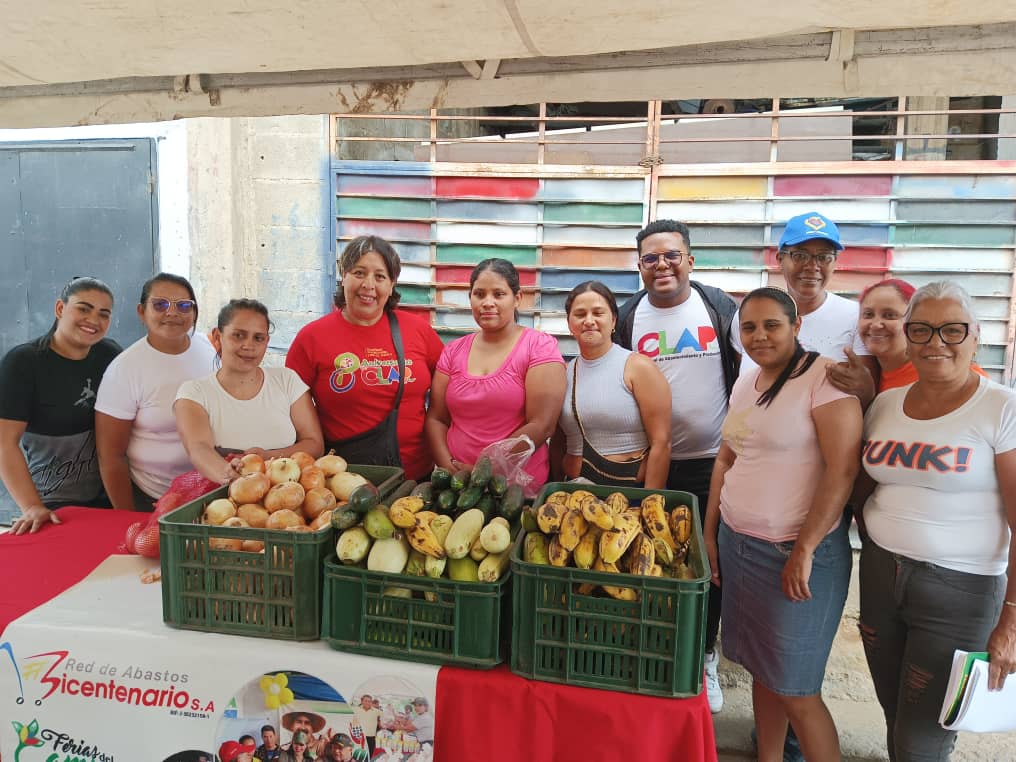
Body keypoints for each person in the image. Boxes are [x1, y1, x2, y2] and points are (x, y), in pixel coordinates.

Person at [854, 280, 1016, 761]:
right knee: (894, 713)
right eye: (921, 330)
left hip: (959, 592)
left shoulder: (1001, 408)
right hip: (882, 574)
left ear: (975, 335)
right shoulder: (886, 404)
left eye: (952, 330)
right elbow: (864, 485)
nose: (935, 342)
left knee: (922, 738)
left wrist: (1011, 621)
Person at [703, 286, 862, 762]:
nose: (759, 336)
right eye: (749, 327)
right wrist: (710, 535)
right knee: (761, 669)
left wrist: (806, 548)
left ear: (796, 327)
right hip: (738, 544)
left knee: (797, 688)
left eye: (772, 324)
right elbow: (725, 460)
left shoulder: (826, 377)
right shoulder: (746, 381)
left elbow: (843, 470)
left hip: (794, 555)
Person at [614, 219, 738, 713]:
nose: (661, 265)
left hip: (714, 462)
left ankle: (705, 655)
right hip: (651, 463)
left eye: (671, 255)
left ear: (689, 259)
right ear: (640, 266)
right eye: (650, 258)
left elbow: (749, 373)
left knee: (708, 568)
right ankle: (656, 648)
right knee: (647, 559)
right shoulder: (627, 317)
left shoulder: (720, 308)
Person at [286, 236, 444, 481]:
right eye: (359, 273)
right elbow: (292, 409)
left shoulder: (418, 330)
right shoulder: (311, 338)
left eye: (380, 277)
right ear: (344, 276)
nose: (368, 285)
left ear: (391, 285)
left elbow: (448, 395)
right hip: (343, 481)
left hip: (416, 478)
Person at [426, 258, 566, 488]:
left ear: (517, 298)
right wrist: (447, 465)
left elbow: (542, 424)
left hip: (515, 489)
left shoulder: (538, 347)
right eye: (479, 294)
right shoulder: (453, 350)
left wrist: (483, 471)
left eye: (498, 294)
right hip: (456, 484)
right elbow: (436, 418)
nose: (487, 302)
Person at [0, 277, 121, 535]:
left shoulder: (110, 355)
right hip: (51, 506)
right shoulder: (23, 362)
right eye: (83, 308)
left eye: (104, 314)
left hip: (108, 500)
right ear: (59, 309)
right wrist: (32, 506)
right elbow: (4, 443)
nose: (93, 320)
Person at [95, 273, 217, 510]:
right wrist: (126, 515)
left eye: (183, 306)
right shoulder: (124, 369)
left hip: (211, 489)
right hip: (153, 498)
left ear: (194, 313)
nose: (172, 313)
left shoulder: (207, 348)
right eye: (160, 304)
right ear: (142, 312)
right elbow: (110, 456)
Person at [734, 212, 879, 406]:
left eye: (824, 257)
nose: (812, 266)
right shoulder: (749, 317)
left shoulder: (856, 318)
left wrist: (866, 390)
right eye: (800, 255)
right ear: (779, 259)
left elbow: (867, 395)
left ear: (835, 262)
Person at [174, 299, 323, 484]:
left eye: (258, 338)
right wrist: (228, 474)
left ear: (267, 341)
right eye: (238, 335)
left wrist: (268, 457)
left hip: (290, 495)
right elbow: (198, 448)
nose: (248, 346)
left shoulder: (287, 380)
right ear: (217, 336)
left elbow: (314, 443)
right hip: (222, 500)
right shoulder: (194, 392)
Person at [554, 281, 671, 488]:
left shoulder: (638, 367)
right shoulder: (563, 373)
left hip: (629, 497)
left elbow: (661, 443)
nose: (589, 321)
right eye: (580, 314)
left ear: (614, 320)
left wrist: (650, 501)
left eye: (598, 313)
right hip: (573, 494)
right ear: (570, 324)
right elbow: (558, 443)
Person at [855, 278, 988, 393]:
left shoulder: (948, 371)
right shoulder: (866, 372)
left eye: (890, 315)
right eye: (868, 314)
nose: (876, 324)